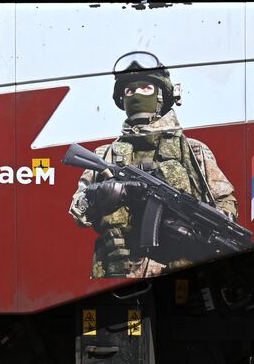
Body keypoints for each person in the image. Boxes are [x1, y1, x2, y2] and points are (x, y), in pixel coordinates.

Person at [69, 51, 239, 278]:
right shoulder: (106, 155)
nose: (136, 94)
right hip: (118, 271)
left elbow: (225, 204)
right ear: (122, 99)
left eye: (146, 88)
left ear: (161, 96)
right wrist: (99, 193)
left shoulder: (193, 151)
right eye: (129, 90)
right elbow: (78, 213)